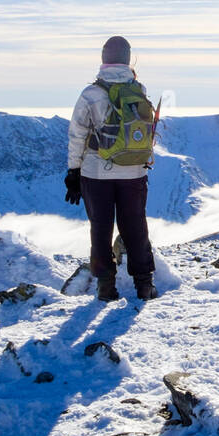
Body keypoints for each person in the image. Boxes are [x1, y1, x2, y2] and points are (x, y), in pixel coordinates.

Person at [64, 35, 158, 301]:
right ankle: (144, 285)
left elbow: (77, 135)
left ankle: (106, 288)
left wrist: (73, 171)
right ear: (127, 60)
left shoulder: (91, 93)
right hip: (134, 172)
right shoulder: (138, 89)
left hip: (96, 174)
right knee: (136, 228)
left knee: (101, 229)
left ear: (103, 59)